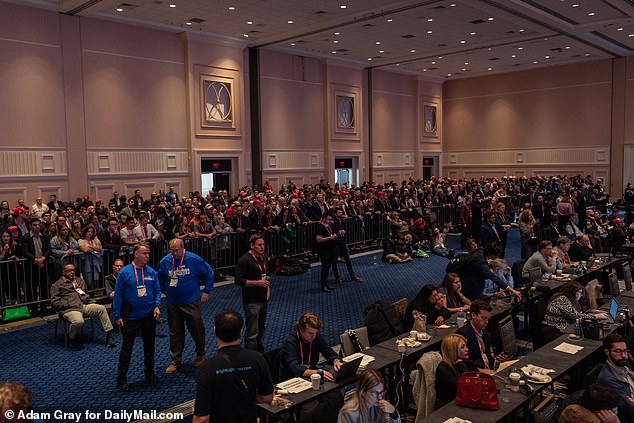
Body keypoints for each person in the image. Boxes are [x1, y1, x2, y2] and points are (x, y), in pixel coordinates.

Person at [192, 310, 274, 423]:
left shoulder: (206, 369)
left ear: (215, 331)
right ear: (241, 332)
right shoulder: (257, 359)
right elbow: (267, 398)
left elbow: (201, 418)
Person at [158, 238, 214, 373]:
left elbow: (209, 273)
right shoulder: (165, 261)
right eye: (172, 250)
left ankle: (200, 354)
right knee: (175, 332)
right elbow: (160, 277)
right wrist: (163, 290)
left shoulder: (193, 259)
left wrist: (206, 291)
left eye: (176, 250)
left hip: (191, 302)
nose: (174, 253)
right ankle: (175, 360)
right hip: (173, 303)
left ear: (183, 248)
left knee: (197, 329)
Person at [112, 244, 161, 392]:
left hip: (148, 316)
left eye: (148, 253)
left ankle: (149, 373)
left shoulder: (152, 272)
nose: (147, 256)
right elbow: (118, 296)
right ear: (136, 254)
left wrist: (157, 306)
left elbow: (157, 292)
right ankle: (121, 379)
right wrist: (117, 315)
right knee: (127, 349)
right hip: (131, 317)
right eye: (144, 253)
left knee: (149, 346)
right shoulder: (125, 273)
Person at [50, 263, 116, 349]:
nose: (72, 272)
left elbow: (85, 294)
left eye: (73, 270)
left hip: (83, 305)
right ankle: (72, 338)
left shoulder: (79, 281)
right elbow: (54, 303)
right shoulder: (57, 285)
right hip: (69, 309)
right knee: (78, 321)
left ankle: (109, 335)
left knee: (101, 308)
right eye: (69, 271)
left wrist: (90, 301)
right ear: (63, 272)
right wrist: (68, 304)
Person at [279, 311, 343, 381]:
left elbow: (329, 352)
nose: (313, 336)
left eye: (315, 333)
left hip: (310, 374)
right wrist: (317, 372)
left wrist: (336, 361)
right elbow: (294, 368)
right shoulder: (290, 342)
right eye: (310, 333)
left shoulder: (316, 337)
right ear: (301, 329)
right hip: (291, 378)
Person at [234, 234, 270, 352]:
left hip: (263, 297)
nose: (262, 247)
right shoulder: (245, 260)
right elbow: (238, 280)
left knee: (261, 327)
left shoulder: (262, 257)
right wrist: (257, 283)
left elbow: (266, 275)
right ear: (252, 245)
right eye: (259, 245)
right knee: (252, 331)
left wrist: (267, 290)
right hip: (251, 300)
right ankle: (250, 354)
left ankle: (258, 349)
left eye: (263, 245)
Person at [456, 300, 506, 372]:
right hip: (476, 374)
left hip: (489, 369)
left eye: (487, 318)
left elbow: (488, 355)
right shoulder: (463, 334)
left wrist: (497, 359)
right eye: (483, 318)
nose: (486, 322)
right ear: (473, 315)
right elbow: (463, 362)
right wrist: (481, 371)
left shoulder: (485, 333)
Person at [596, 333, 634, 422]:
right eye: (618, 351)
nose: (624, 355)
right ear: (607, 352)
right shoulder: (609, 380)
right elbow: (631, 410)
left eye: (625, 351)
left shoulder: (624, 364)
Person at [435, 333, 479, 409]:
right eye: (462, 347)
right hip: (448, 408)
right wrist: (462, 366)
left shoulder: (465, 361)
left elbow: (478, 379)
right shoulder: (443, 368)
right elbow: (464, 388)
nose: (467, 349)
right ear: (453, 351)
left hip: (465, 402)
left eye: (466, 345)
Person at [331, 208, 363, 283]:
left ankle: (353, 276)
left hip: (343, 242)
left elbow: (345, 229)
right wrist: (338, 232)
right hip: (335, 243)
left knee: (348, 259)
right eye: (339, 212)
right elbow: (331, 232)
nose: (341, 214)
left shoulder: (343, 220)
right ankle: (337, 277)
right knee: (334, 261)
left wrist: (344, 231)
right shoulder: (332, 222)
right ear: (335, 214)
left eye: (341, 212)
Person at [315, 213, 338, 293]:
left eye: (330, 219)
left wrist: (334, 236)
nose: (330, 221)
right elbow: (318, 239)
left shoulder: (329, 225)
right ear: (324, 218)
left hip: (330, 249)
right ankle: (323, 285)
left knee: (327, 268)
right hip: (324, 250)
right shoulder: (320, 227)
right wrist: (329, 238)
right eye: (328, 219)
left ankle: (326, 284)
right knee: (325, 268)